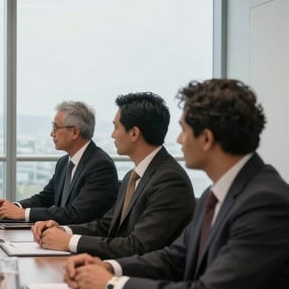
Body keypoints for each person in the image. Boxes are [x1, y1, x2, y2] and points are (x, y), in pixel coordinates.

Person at [64, 79, 289, 289]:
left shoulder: (265, 202)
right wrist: (107, 266)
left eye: (183, 130)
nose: (179, 139)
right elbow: (173, 259)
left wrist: (111, 286)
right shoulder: (215, 193)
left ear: (206, 138)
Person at [33, 92, 195, 258]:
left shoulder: (169, 181)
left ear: (134, 133)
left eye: (116, 127)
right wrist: (63, 230)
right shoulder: (132, 177)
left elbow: (138, 246)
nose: (112, 134)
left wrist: (69, 241)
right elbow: (106, 225)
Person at [0, 101, 118, 223]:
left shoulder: (100, 165)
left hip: (82, 241)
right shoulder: (64, 162)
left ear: (75, 132)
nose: (52, 134)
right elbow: (45, 198)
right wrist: (13, 207)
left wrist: (23, 214)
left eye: (56, 127)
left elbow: (77, 214)